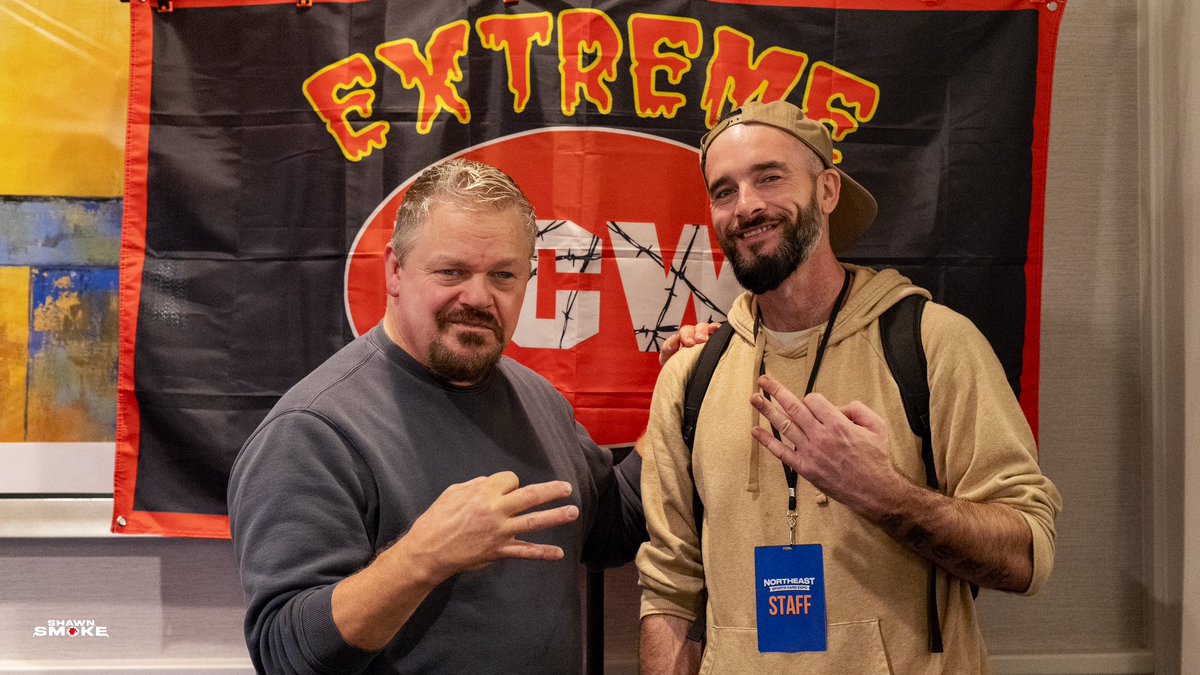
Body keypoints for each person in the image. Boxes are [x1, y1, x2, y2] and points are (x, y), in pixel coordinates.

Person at [636, 100, 1062, 674]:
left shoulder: (933, 344)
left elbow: (1027, 555)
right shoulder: (691, 374)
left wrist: (885, 494)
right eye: (724, 191)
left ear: (828, 191)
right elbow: (669, 587)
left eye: (769, 177)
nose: (747, 207)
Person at [228, 159, 649, 673]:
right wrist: (424, 557)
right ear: (394, 272)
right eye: (451, 271)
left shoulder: (539, 399)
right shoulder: (313, 431)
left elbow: (611, 528)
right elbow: (285, 654)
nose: (477, 297)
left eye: (503, 275)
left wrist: (682, 396)